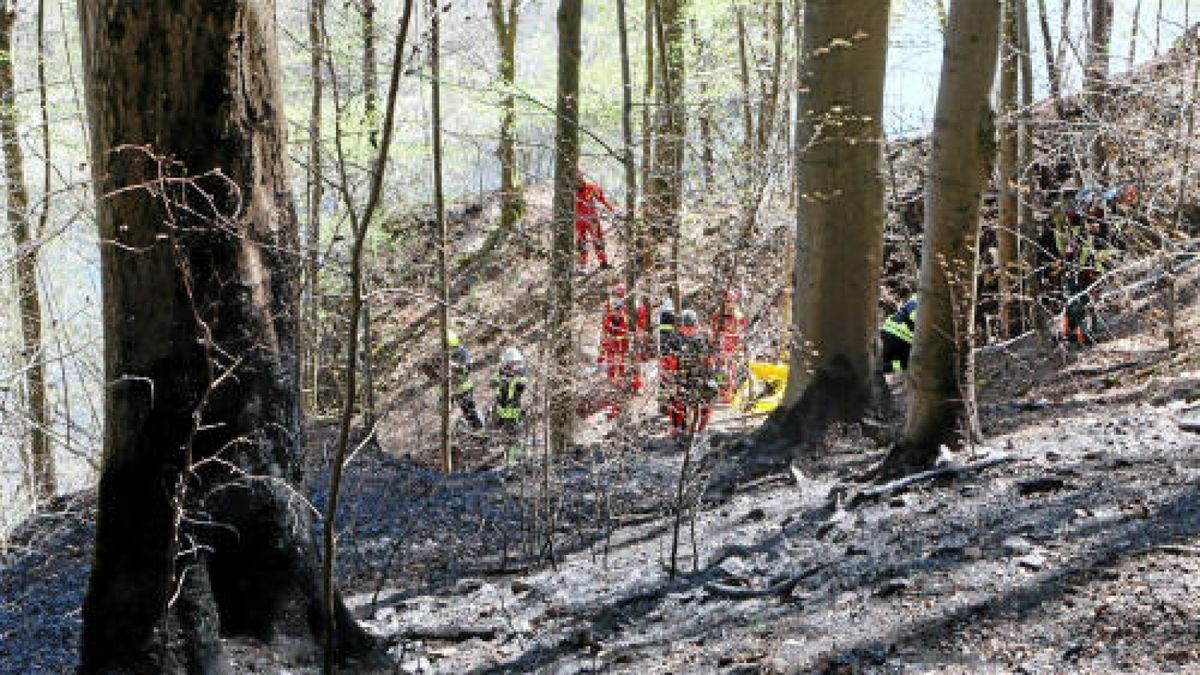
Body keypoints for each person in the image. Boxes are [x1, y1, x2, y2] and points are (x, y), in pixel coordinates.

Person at [665, 309, 717, 436]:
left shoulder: (704, 339)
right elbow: (667, 364)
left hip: (700, 378)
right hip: (682, 379)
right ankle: (677, 428)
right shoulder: (674, 341)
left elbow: (711, 361)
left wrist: (709, 371)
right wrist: (674, 375)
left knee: (711, 390)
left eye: (692, 327)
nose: (689, 330)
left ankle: (702, 428)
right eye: (686, 327)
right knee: (676, 396)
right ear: (681, 327)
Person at [575, 168, 616, 271]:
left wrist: (612, 210)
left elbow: (602, 199)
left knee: (598, 240)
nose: (577, 178)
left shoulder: (590, 187)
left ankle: (603, 263)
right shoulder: (570, 191)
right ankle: (582, 266)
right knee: (581, 242)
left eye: (578, 175)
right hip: (578, 221)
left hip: (592, 219)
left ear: (582, 175)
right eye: (575, 176)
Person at [492, 347, 529, 462]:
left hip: (515, 411)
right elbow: (494, 381)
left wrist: (510, 379)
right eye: (508, 363)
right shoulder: (502, 371)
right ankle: (507, 458)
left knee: (514, 437)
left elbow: (522, 384)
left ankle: (515, 460)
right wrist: (497, 380)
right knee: (503, 437)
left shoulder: (521, 373)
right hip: (502, 409)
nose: (511, 365)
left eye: (513, 363)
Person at [710, 289, 746, 403]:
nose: (728, 303)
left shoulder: (738, 315)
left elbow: (741, 333)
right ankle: (721, 391)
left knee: (732, 371)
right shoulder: (717, 314)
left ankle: (730, 394)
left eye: (731, 301)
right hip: (720, 348)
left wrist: (738, 345)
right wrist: (714, 340)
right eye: (726, 301)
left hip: (732, 349)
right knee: (719, 371)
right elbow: (712, 330)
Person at [448, 330, 483, 429]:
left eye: (450, 348)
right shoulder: (443, 354)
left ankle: (479, 430)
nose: (450, 351)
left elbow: (467, 367)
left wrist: (454, 366)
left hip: (464, 387)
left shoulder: (462, 352)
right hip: (451, 389)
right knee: (461, 413)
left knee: (470, 412)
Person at [879, 295, 917, 373]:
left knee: (900, 363)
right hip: (900, 336)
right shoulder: (917, 299)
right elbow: (913, 316)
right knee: (904, 363)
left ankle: (882, 370)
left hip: (889, 331)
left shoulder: (915, 298)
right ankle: (881, 370)